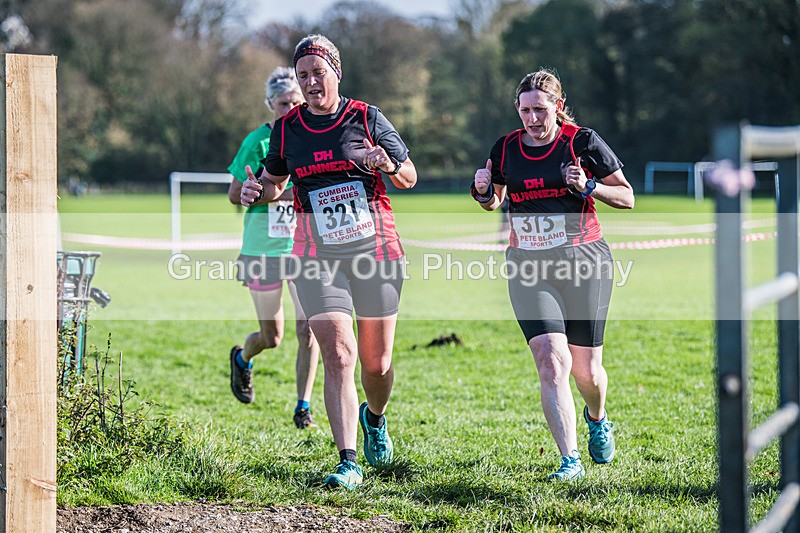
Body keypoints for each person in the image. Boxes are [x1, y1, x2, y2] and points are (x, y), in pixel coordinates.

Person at [240, 34, 417, 490]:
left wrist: (387, 164)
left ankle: (374, 418)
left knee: (375, 365)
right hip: (315, 256)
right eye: (303, 76)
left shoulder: (367, 117)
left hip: (375, 252)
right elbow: (275, 184)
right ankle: (348, 460)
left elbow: (410, 177)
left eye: (318, 73)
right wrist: (255, 190)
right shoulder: (287, 129)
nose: (311, 82)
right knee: (339, 353)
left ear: (336, 72)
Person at [471, 68, 634, 481]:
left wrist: (590, 186)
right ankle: (570, 459)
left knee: (587, 371)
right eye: (525, 110)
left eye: (540, 109)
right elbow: (494, 203)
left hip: (583, 263)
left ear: (558, 107)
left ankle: (597, 418)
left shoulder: (582, 142)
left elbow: (627, 197)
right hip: (528, 266)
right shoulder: (505, 148)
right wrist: (484, 191)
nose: (532, 118)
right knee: (550, 359)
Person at [227, 66, 321, 430]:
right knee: (273, 337)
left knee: (308, 329)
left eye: (295, 102)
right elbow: (235, 194)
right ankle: (243, 357)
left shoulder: (310, 139)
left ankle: (303, 408)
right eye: (283, 103)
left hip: (301, 249)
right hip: (262, 250)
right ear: (270, 104)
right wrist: (272, 191)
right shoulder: (258, 142)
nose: (289, 109)